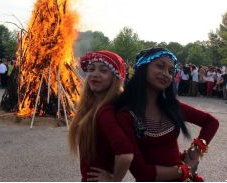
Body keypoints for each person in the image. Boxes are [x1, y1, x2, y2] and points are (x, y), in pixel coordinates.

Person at [93, 47, 219, 181]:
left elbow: (211, 122)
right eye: (160, 66)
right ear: (143, 68)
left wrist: (194, 153)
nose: (166, 74)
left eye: (171, 71)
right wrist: (185, 170)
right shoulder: (126, 114)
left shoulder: (172, 106)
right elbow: (143, 172)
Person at [69, 50, 134, 181]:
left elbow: (126, 155)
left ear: (115, 78)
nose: (94, 75)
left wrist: (113, 180)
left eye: (103, 71)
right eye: (91, 69)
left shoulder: (105, 112)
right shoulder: (94, 107)